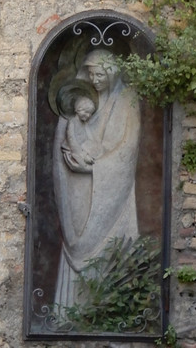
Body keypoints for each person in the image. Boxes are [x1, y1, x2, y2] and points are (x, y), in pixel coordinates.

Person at [52, 49, 141, 313]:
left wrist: (95, 169)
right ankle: (71, 314)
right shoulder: (79, 98)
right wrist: (69, 156)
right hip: (77, 188)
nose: (95, 79)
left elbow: (128, 150)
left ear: (113, 73)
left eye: (100, 74)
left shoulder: (127, 101)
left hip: (110, 189)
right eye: (91, 74)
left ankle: (109, 313)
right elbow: (64, 137)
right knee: (78, 236)